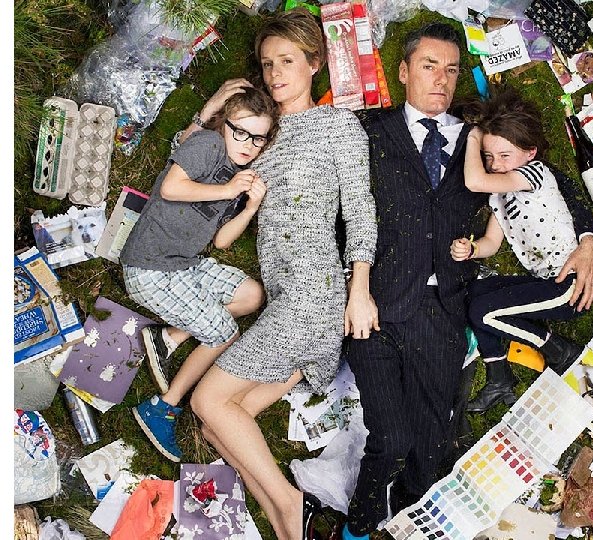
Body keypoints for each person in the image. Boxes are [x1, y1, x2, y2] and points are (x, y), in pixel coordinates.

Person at [341, 24, 593, 540]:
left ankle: (407, 527)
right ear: (403, 72)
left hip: (443, 308)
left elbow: (556, 183)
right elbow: (336, 202)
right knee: (390, 439)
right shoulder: (368, 130)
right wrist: (352, 286)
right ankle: (358, 526)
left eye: (452, 70)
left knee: (432, 450)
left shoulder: (481, 142)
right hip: (376, 303)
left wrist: (588, 241)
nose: (441, 78)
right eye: (429, 66)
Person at [187, 8, 378, 540]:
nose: (274, 73)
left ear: (315, 64)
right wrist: (211, 110)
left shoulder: (338, 125)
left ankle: (292, 504)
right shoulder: (257, 131)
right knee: (218, 422)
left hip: (314, 294)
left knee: (207, 400)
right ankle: (285, 521)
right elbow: (191, 163)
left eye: (287, 61)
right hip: (283, 297)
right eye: (268, 63)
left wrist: (359, 290)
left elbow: (360, 210)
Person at [120, 87, 279, 462]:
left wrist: (249, 207)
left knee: (252, 295)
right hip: (150, 267)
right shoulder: (209, 145)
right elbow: (171, 187)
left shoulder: (239, 176)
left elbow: (222, 241)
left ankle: (168, 339)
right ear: (226, 125)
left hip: (185, 265)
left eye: (258, 138)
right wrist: (226, 189)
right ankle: (163, 406)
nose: (248, 144)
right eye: (240, 132)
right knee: (224, 333)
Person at [451, 90, 593, 415]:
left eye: (505, 155)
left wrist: (474, 135)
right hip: (544, 282)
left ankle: (558, 349)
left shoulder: (535, 173)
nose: (495, 165)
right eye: (489, 156)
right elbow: (491, 243)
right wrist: (472, 249)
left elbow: (475, 181)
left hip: (569, 285)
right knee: (473, 294)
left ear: (530, 152)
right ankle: (499, 378)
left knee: (484, 313)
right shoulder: (501, 195)